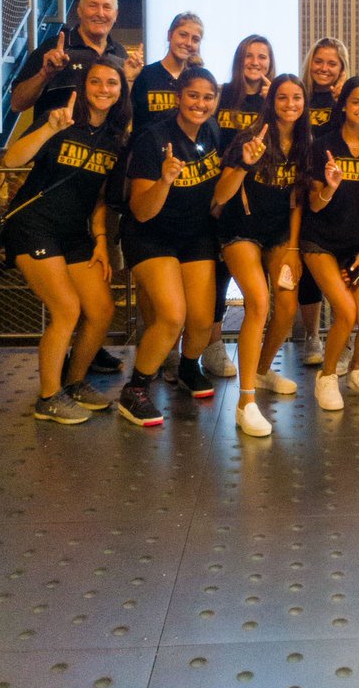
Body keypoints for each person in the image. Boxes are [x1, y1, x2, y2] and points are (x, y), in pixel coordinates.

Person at [0, 57, 130, 424]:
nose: (104, 89)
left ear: (121, 91)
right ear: (84, 87)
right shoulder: (61, 119)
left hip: (75, 233)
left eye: (112, 83)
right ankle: (48, 397)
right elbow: (12, 159)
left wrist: (102, 240)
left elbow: (102, 197)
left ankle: (73, 383)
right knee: (67, 309)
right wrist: (48, 129)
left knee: (102, 310)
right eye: (96, 82)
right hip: (33, 226)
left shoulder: (117, 138)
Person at [117, 66, 223, 426]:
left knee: (201, 320)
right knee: (172, 316)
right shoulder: (153, 138)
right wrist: (164, 180)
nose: (200, 103)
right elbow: (141, 211)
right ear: (179, 96)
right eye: (193, 95)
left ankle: (189, 369)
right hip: (151, 235)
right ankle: (135, 389)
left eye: (208, 97)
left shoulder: (212, 132)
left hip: (194, 235)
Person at [213, 74, 311, 436]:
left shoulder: (304, 142)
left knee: (287, 305)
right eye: (283, 97)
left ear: (304, 103)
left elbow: (298, 200)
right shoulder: (250, 137)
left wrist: (294, 248)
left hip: (279, 234)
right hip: (241, 231)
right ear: (272, 102)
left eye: (297, 98)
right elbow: (221, 196)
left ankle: (261, 371)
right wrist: (243, 163)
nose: (290, 104)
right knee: (258, 302)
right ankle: (246, 402)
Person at [302, 76, 359, 411]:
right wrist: (328, 186)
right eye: (357, 102)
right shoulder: (323, 144)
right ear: (344, 105)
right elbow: (313, 204)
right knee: (346, 311)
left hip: (357, 247)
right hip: (320, 242)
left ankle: (357, 370)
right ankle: (326, 377)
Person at [203, 33, 277, 379]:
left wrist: (271, 103)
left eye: (262, 57)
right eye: (250, 56)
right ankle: (212, 346)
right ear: (239, 59)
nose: (256, 63)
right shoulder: (221, 95)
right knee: (217, 278)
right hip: (218, 194)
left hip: (258, 200)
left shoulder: (271, 102)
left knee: (256, 284)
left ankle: (255, 355)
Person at [11, 0, 144, 119]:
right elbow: (17, 104)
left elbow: (121, 109)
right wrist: (45, 74)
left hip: (102, 139)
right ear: (79, 11)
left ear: (115, 15)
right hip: (56, 138)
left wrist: (129, 79)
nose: (100, 13)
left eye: (107, 7)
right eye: (93, 6)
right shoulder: (54, 48)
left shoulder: (120, 54)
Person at [297, 37, 350, 365]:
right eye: (319, 61)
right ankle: (312, 337)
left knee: (341, 262)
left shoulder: (344, 101)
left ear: (342, 68)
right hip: (302, 185)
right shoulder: (299, 94)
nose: (324, 69)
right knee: (307, 264)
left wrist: (338, 103)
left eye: (332, 63)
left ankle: (343, 332)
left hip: (340, 188)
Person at [131, 12, 204, 138]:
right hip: (147, 152)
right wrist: (129, 79)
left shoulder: (197, 81)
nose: (188, 43)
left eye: (195, 39)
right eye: (183, 35)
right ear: (169, 35)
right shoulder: (145, 75)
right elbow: (125, 115)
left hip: (183, 154)